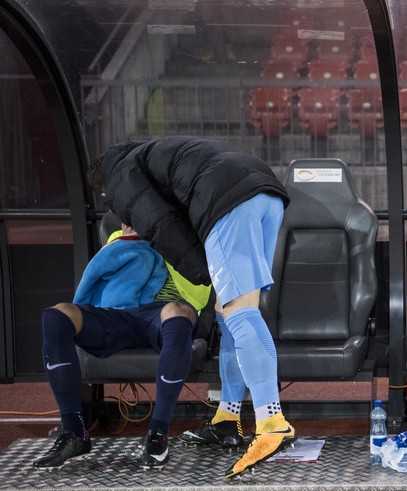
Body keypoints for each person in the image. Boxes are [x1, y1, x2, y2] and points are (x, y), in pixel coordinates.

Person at [88, 136, 294, 478]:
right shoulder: (148, 155)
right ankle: (228, 419)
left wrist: (203, 271)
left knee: (239, 311)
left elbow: (160, 225)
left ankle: (272, 422)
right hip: (266, 192)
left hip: (227, 200)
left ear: (104, 192)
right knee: (230, 311)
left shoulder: (120, 177)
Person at [33, 223, 211, 470]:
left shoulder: (190, 233)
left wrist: (167, 238)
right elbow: (100, 279)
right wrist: (129, 240)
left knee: (176, 311)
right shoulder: (121, 236)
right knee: (57, 314)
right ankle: (75, 432)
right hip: (119, 314)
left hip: (164, 314)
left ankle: (158, 433)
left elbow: (201, 282)